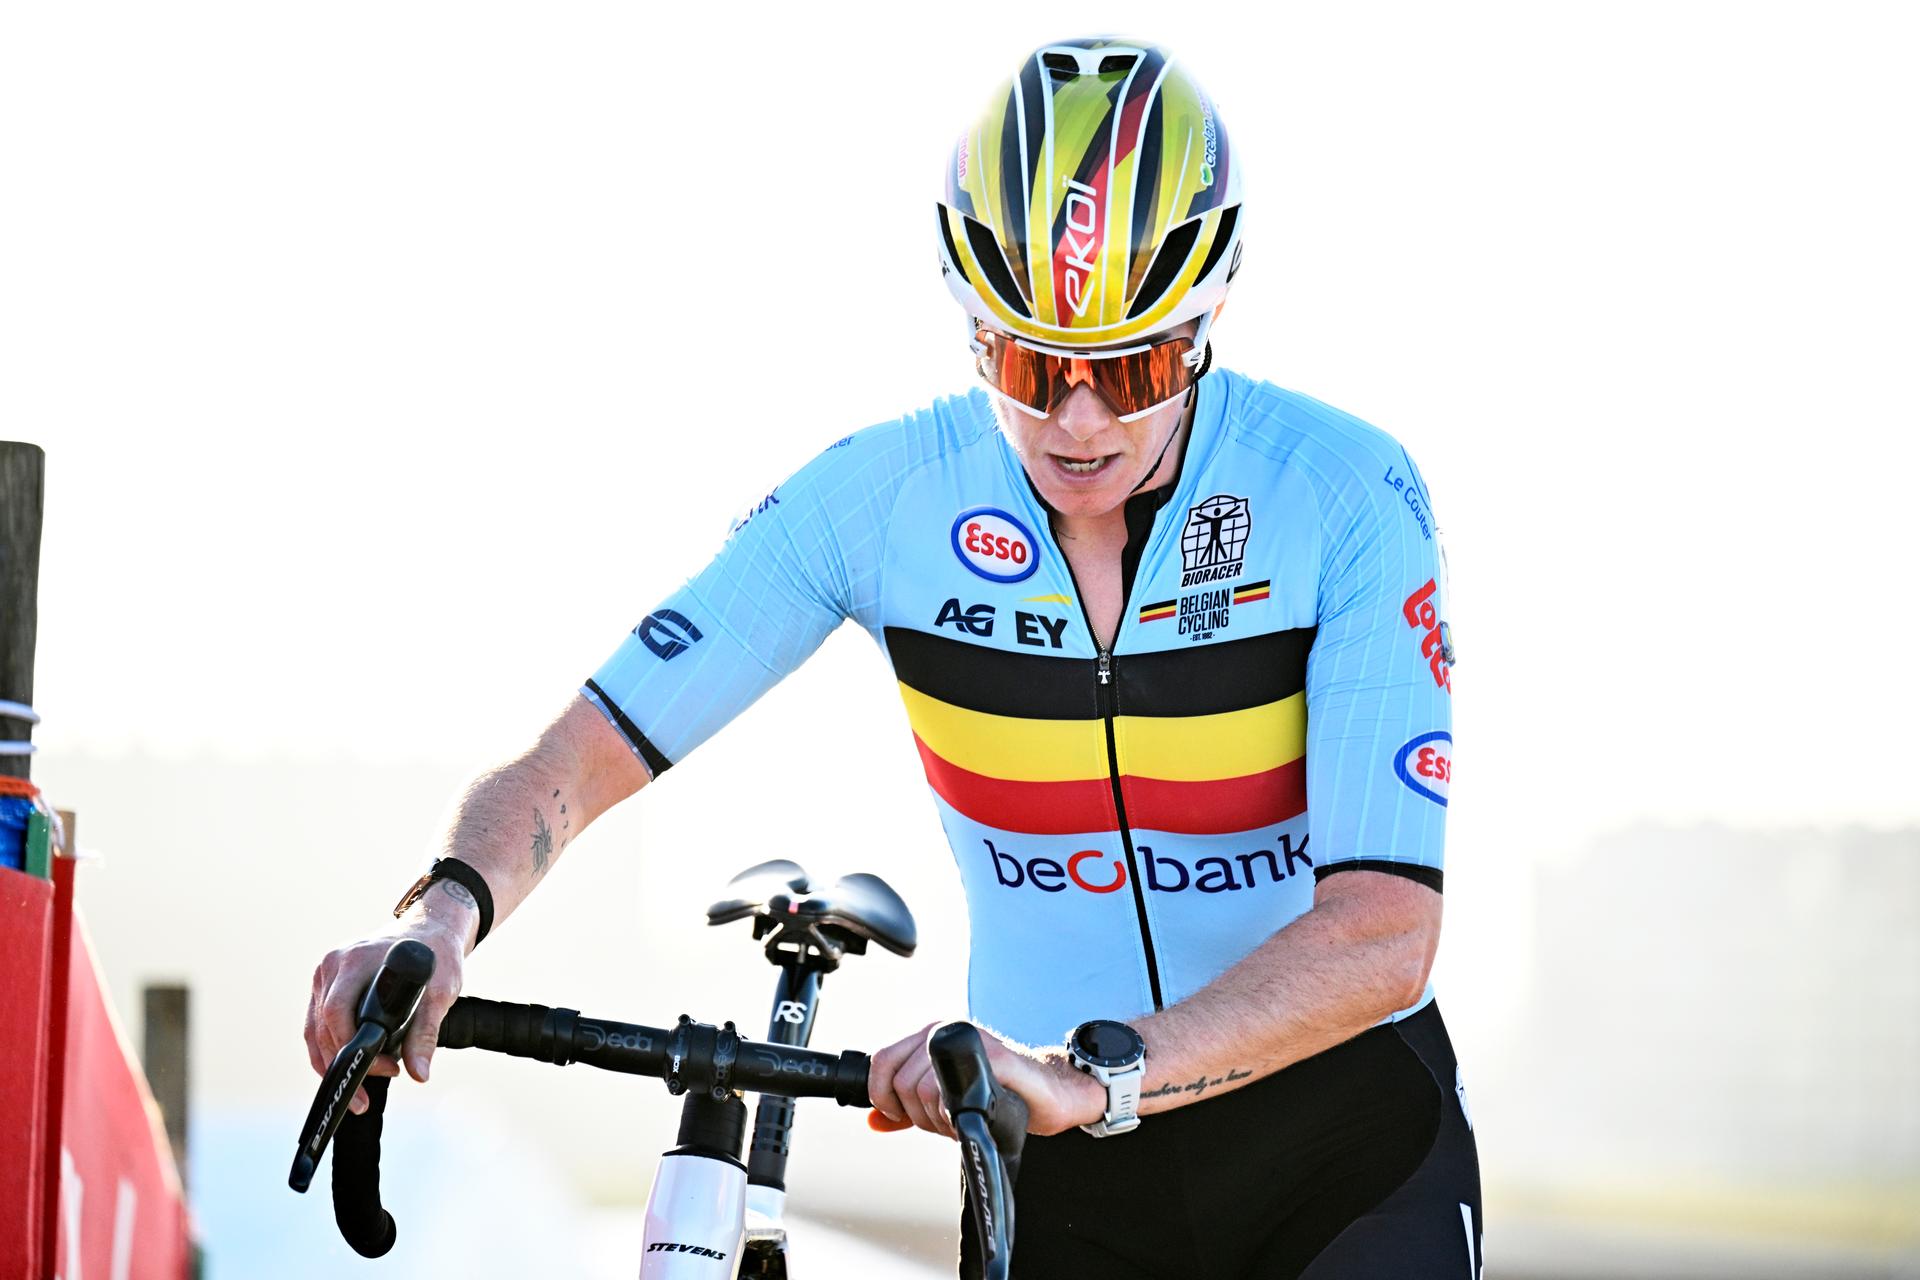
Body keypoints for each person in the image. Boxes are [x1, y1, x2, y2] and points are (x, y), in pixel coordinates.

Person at [304, 36, 1478, 1279]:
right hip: (1059, 1164)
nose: (1076, 423)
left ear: (1206, 325)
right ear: (975, 331)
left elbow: (1382, 933)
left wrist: (1096, 1070)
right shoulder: (887, 496)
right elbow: (582, 751)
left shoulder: (1343, 492)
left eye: (1131, 370)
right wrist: (441, 916)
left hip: (1339, 1149)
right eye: (1030, 366)